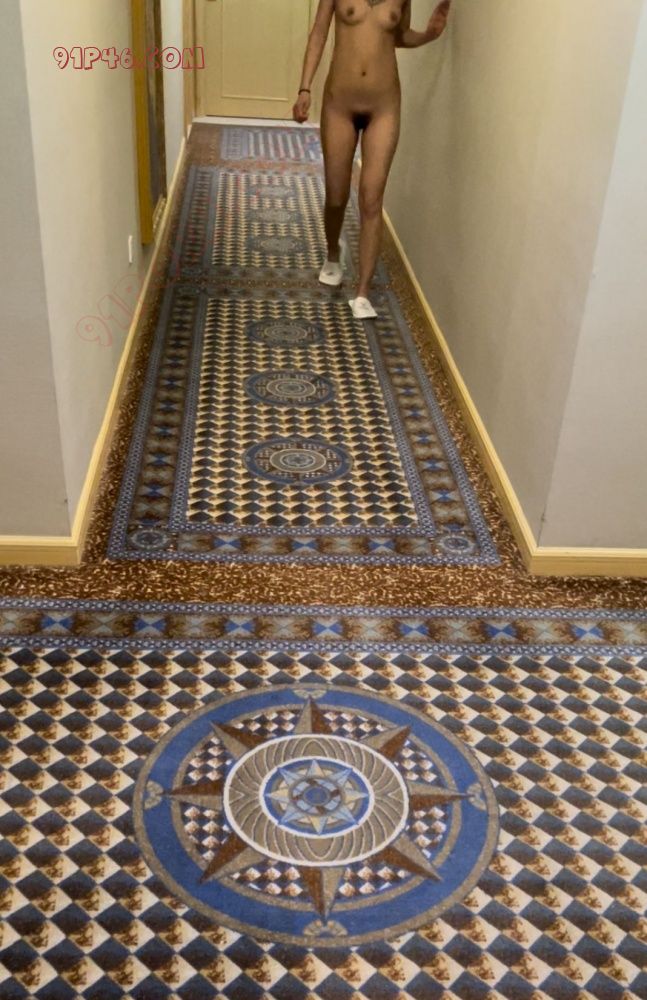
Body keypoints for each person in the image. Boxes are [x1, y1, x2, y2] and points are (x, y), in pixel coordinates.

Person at [293, 0, 452, 319]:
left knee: (371, 197)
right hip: (339, 105)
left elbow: (399, 36)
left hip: (384, 107)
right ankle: (333, 252)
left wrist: (428, 35)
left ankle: (363, 293)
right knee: (336, 196)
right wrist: (305, 88)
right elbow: (319, 33)